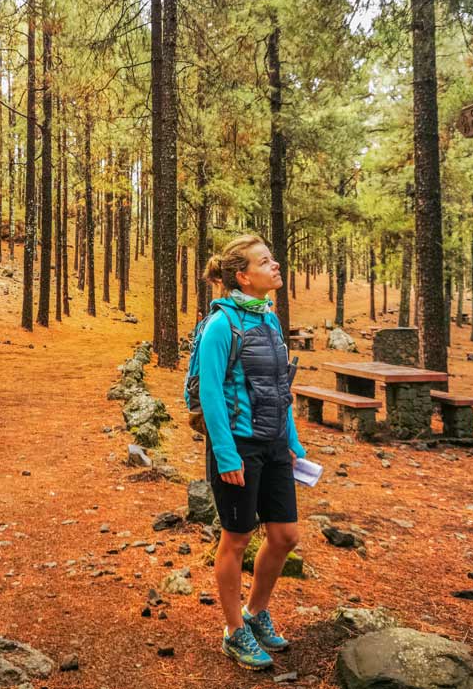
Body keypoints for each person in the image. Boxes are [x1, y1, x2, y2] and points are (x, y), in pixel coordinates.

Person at [197, 234, 306, 671]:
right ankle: (232, 631)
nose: (276, 265)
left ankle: (255, 612)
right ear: (243, 276)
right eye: (265, 261)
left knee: (284, 536)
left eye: (273, 259)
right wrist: (226, 456)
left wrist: (292, 441)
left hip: (275, 443)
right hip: (238, 447)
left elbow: (281, 388)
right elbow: (210, 392)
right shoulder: (221, 325)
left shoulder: (270, 321)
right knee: (237, 538)